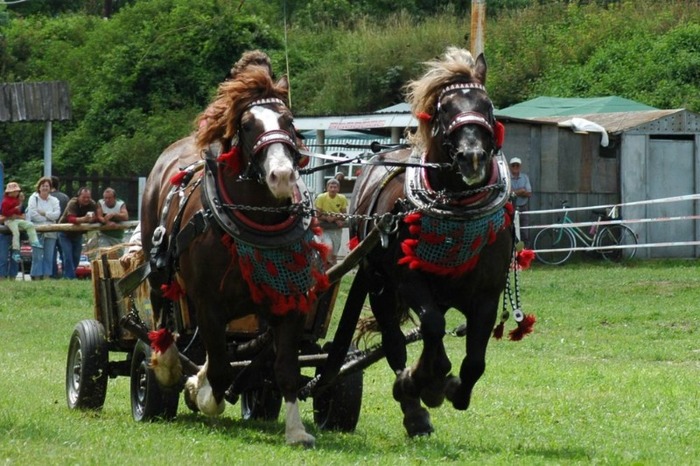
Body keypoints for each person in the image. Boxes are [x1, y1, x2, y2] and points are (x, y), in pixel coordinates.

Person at [58, 187, 97, 279]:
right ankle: (69, 277)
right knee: (67, 255)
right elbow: (71, 219)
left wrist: (92, 219)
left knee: (76, 256)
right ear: (79, 196)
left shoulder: (92, 204)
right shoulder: (72, 203)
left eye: (88, 197)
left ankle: (69, 275)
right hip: (65, 233)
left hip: (78, 233)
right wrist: (84, 219)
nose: (86, 199)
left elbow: (97, 216)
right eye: (84, 197)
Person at [27, 177, 61, 279]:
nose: (45, 188)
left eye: (47, 186)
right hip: (36, 231)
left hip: (51, 232)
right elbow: (32, 214)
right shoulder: (33, 198)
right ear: (39, 187)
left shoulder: (54, 200)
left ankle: (46, 277)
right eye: (43, 186)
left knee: (49, 255)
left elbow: (57, 214)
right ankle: (36, 277)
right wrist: (48, 218)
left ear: (50, 188)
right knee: (37, 256)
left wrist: (44, 213)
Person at [0, 182, 42, 263]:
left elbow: (21, 215)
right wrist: (14, 210)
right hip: (9, 221)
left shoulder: (17, 200)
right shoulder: (5, 201)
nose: (17, 193)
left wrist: (17, 210)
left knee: (30, 225)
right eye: (15, 191)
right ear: (10, 192)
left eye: (17, 191)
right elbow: (5, 213)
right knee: (16, 233)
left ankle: (34, 241)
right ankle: (16, 251)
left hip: (15, 220)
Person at [315, 178, 348, 266]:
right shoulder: (321, 197)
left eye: (335, 187)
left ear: (338, 189)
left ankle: (333, 273)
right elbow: (317, 215)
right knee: (328, 248)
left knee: (334, 254)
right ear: (327, 188)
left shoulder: (342, 198)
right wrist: (326, 218)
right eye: (331, 187)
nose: (333, 189)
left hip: (336, 230)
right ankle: (323, 269)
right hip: (324, 228)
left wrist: (335, 219)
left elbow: (344, 214)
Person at [96, 187, 129, 252]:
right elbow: (99, 216)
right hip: (103, 234)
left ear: (114, 198)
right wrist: (107, 222)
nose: (107, 200)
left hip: (117, 236)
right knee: (103, 253)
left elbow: (125, 217)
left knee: (119, 256)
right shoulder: (100, 203)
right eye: (105, 198)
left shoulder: (120, 204)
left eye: (109, 198)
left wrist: (114, 214)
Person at [509, 157, 533, 246]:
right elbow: (507, 194)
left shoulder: (525, 177)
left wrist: (514, 192)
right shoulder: (506, 177)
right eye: (513, 165)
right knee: (511, 231)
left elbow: (529, 193)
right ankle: (513, 254)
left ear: (520, 166)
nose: (515, 166)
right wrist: (521, 191)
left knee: (524, 232)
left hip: (523, 208)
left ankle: (525, 254)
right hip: (510, 208)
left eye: (517, 165)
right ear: (510, 166)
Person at [50, 176, 70, 278]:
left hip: (50, 229)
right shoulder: (65, 197)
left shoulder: (47, 197)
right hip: (63, 229)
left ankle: (53, 275)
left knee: (51, 254)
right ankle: (66, 274)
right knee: (64, 254)